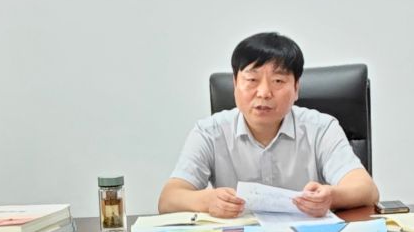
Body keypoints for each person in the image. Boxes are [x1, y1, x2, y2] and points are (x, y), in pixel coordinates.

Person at [159, 32, 377, 218]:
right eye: (251, 80)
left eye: (278, 81)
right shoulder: (209, 132)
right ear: (235, 84)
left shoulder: (321, 128)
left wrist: (331, 197)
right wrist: (206, 201)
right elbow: (168, 199)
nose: (263, 93)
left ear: (296, 88)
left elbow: (367, 190)